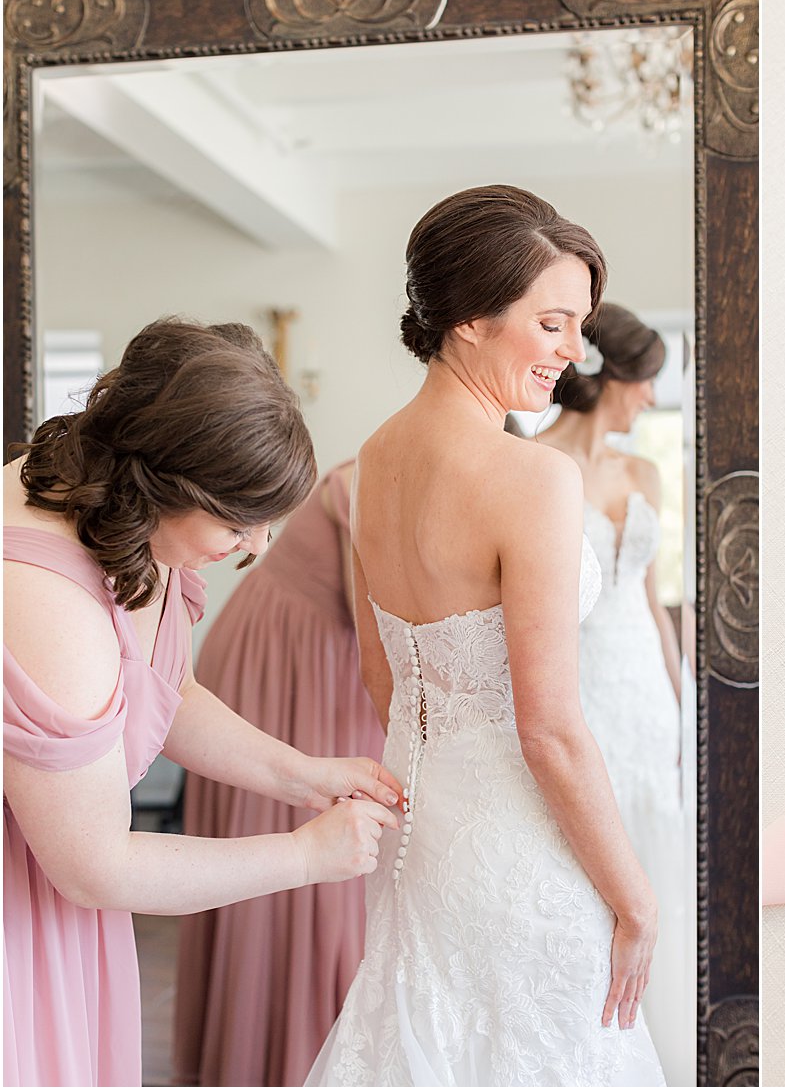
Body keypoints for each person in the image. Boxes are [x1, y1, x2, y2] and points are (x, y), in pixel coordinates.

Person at [306, 186, 665, 1085]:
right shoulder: (532, 479)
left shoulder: (372, 459)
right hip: (525, 847)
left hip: (430, 842)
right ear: (470, 318)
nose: (572, 353)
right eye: (552, 325)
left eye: (577, 328)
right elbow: (549, 727)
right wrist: (633, 897)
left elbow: (381, 678)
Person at [2, 318, 403, 1087]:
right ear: (168, 482)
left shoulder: (120, 511)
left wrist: (303, 775)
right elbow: (93, 866)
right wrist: (303, 854)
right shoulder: (50, 600)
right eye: (237, 524)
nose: (255, 549)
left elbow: (162, 690)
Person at [173, 459, 386, 1087]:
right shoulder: (368, 484)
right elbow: (387, 641)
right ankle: (280, 1062)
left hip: (333, 665)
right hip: (286, 660)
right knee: (310, 861)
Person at [537, 303, 695, 1082]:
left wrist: (680, 701)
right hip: (579, 683)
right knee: (585, 852)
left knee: (655, 843)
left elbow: (652, 598)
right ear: (611, 379)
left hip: (644, 686)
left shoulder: (646, 473)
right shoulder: (537, 469)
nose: (651, 397)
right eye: (645, 380)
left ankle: (658, 1037)